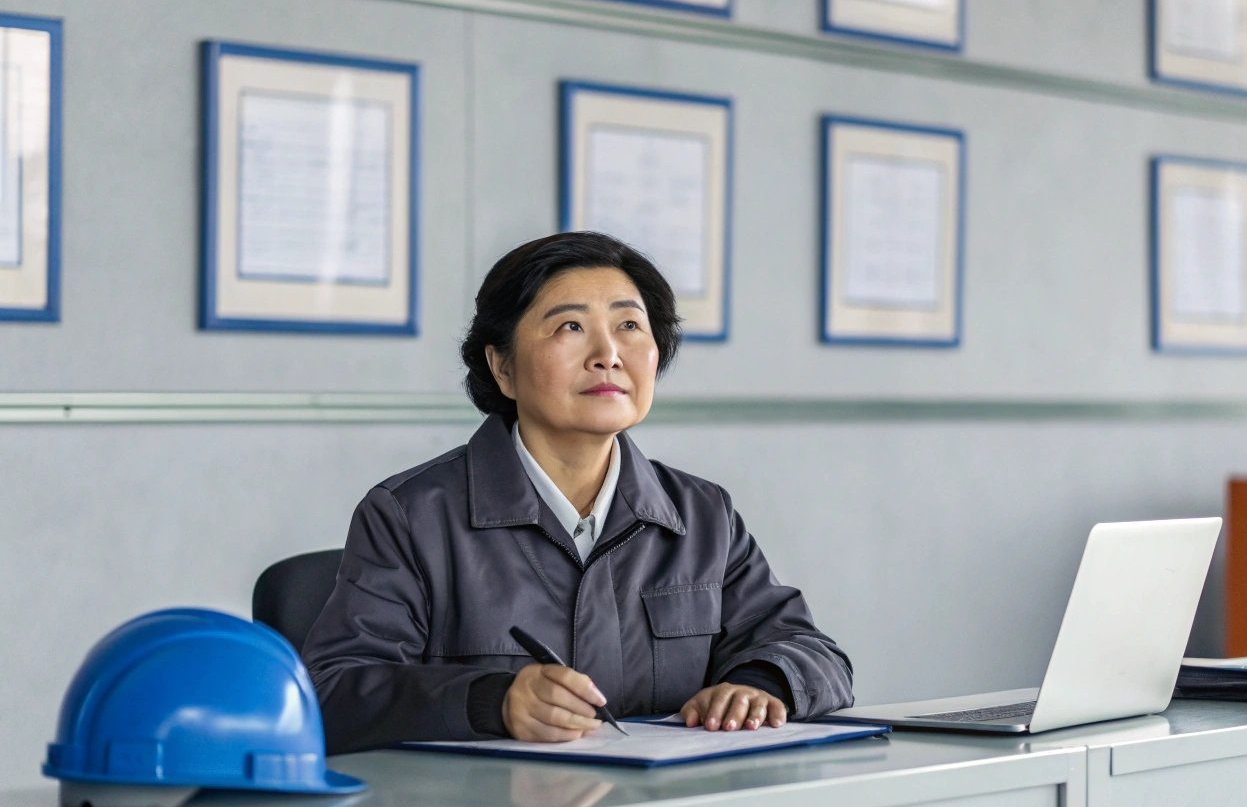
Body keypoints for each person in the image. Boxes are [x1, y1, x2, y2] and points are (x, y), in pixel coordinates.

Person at [303, 232, 854, 752]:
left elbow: (813, 654)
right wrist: (493, 702)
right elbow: (333, 691)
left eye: (631, 327)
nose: (608, 354)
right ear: (502, 367)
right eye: (570, 327)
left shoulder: (702, 514)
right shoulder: (411, 516)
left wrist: (759, 685)